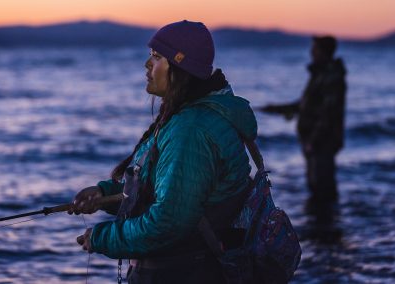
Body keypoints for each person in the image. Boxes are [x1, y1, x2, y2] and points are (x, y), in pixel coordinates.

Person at [68, 20, 258, 284]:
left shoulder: (190, 130)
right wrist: (105, 194)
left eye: (157, 57)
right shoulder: (189, 116)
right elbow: (165, 188)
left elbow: (168, 223)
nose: (147, 65)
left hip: (184, 272)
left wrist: (102, 237)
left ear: (180, 67)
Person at [260, 36, 347, 211]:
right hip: (316, 142)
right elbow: (305, 105)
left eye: (315, 49)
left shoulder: (331, 77)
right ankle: (323, 227)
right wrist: (276, 109)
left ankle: (327, 230)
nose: (311, 53)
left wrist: (312, 141)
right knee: (317, 186)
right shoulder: (320, 74)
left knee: (323, 187)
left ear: (323, 52)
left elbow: (327, 114)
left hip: (322, 142)